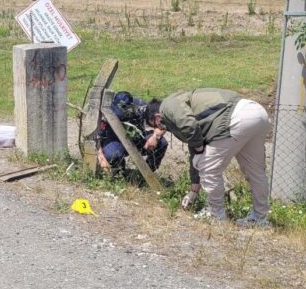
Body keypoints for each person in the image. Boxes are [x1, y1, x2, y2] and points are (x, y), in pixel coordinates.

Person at [144, 88, 270, 227]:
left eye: (156, 126)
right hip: (257, 112)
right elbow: (194, 147)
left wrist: (200, 149)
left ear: (156, 118)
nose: (162, 129)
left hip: (235, 118)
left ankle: (216, 216)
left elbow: (189, 126)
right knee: (256, 173)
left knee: (209, 169)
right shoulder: (184, 101)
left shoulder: (167, 106)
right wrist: (194, 190)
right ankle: (260, 218)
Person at [96, 91, 168, 175]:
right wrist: (101, 158)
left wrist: (156, 136)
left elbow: (165, 123)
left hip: (137, 138)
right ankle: (119, 174)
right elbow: (97, 138)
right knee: (114, 154)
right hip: (115, 140)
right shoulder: (108, 113)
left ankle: (146, 175)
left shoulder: (145, 107)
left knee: (162, 143)